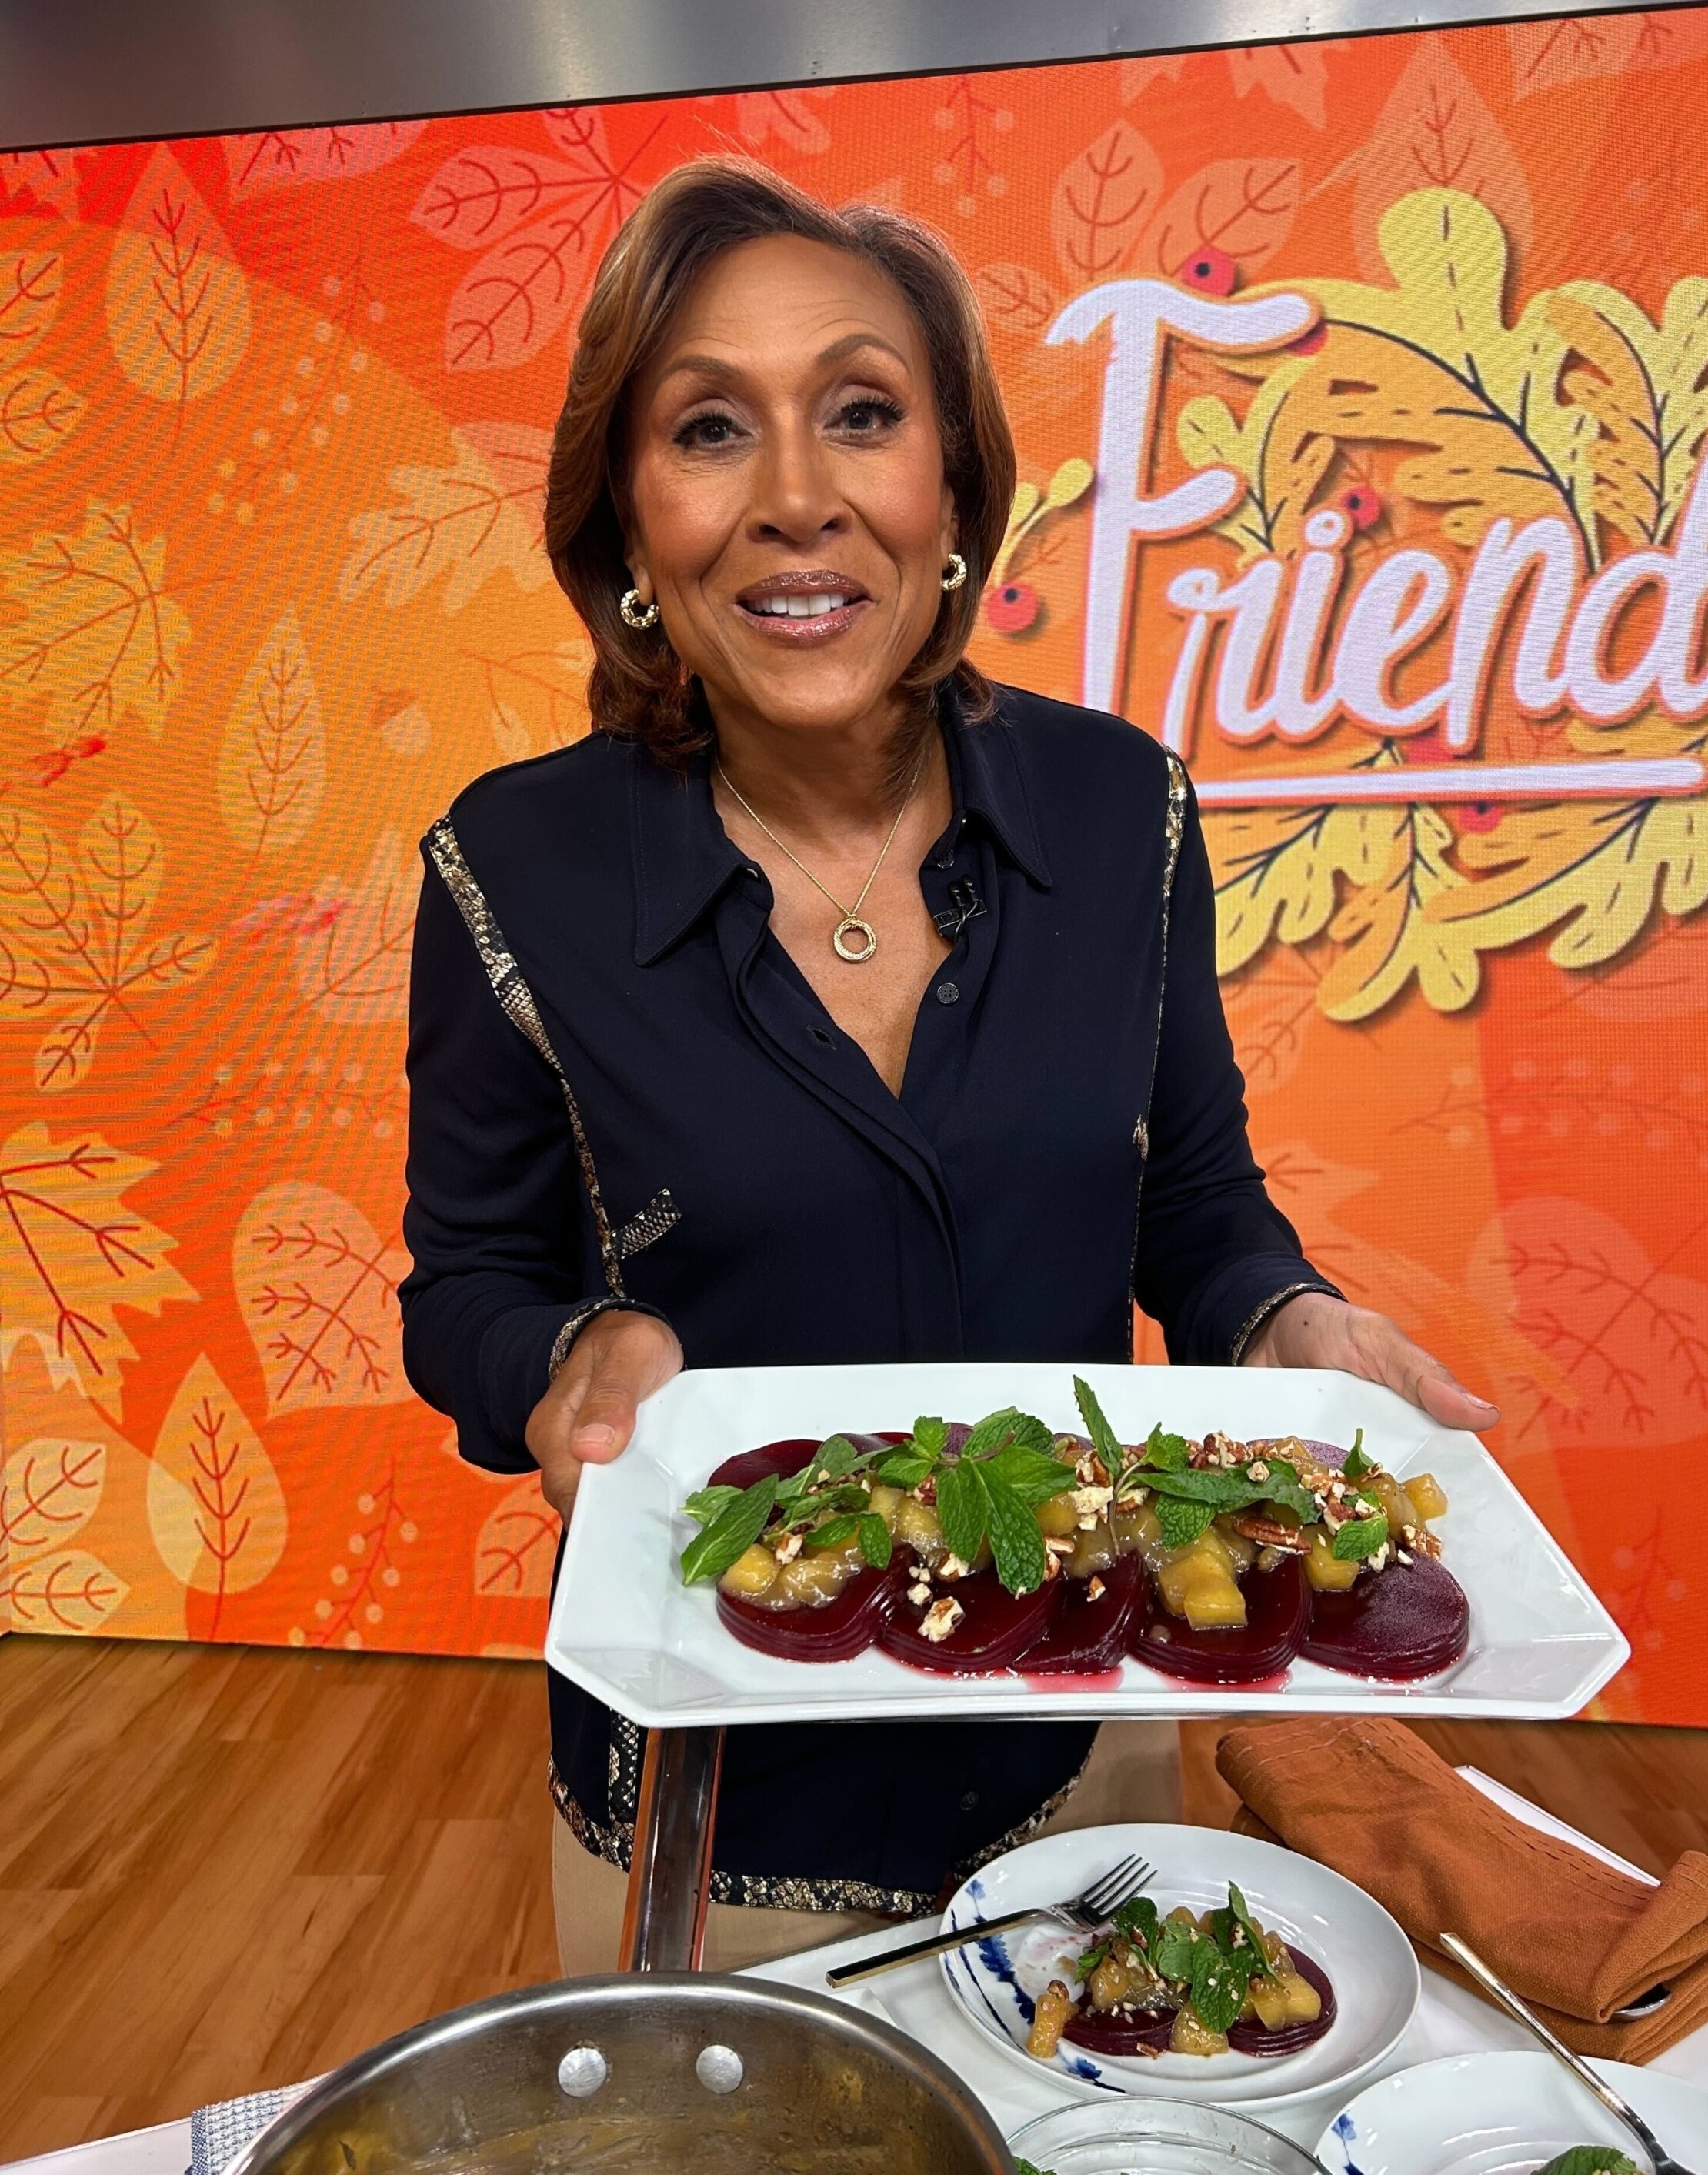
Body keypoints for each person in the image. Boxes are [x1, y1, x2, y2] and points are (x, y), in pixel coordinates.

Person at [399, 156, 1497, 1975]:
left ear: (954, 491)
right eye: (707, 432)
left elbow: (1195, 1201)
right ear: (629, 532)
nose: (800, 501)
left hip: (1080, 1754)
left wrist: (1287, 1319)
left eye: (859, 414)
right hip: (710, 1797)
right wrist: (559, 1360)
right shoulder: (513, 867)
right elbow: (469, 1288)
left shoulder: (1117, 800)